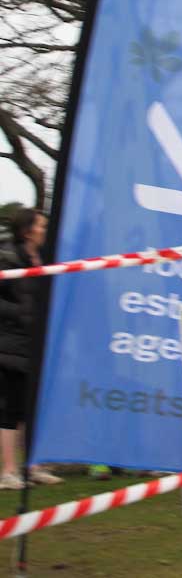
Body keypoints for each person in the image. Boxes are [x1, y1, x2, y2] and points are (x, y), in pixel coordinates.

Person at [0, 208, 62, 489]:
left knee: (31, 408)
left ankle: (32, 467)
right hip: (11, 344)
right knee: (11, 407)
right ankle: (9, 471)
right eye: (41, 225)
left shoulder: (45, 258)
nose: (45, 229)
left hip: (36, 343)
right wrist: (22, 313)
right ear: (27, 230)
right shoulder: (8, 258)